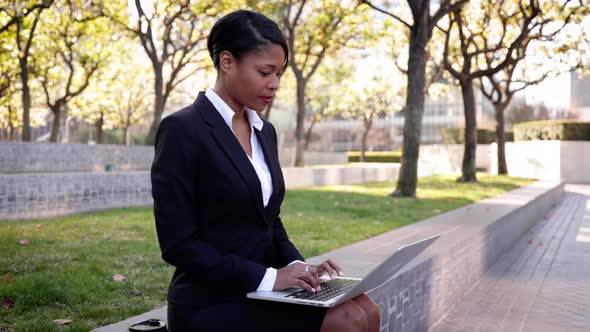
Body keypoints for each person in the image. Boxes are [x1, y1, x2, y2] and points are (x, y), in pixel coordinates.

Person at [151, 9, 380, 332]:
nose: (273, 84)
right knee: (346, 320)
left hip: (264, 289)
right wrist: (270, 277)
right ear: (227, 62)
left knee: (365, 308)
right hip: (211, 301)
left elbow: (268, 220)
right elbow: (178, 244)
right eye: (264, 72)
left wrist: (299, 266)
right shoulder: (182, 130)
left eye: (279, 74)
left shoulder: (264, 131)